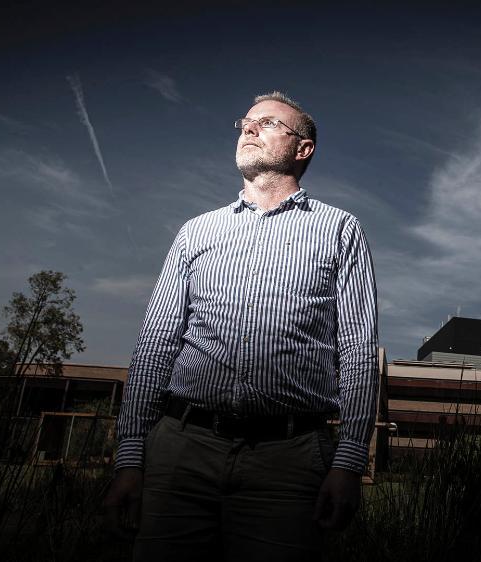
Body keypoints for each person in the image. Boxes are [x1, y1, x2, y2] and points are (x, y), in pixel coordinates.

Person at [103, 91, 379, 561]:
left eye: (268, 123)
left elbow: (356, 350)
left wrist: (350, 461)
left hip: (288, 459)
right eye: (245, 123)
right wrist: (131, 456)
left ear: (303, 148)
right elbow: (155, 346)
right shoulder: (197, 231)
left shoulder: (339, 229)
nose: (249, 129)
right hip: (181, 450)